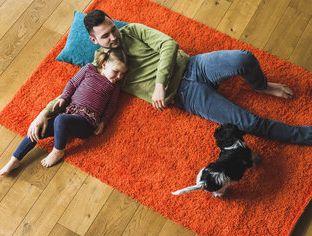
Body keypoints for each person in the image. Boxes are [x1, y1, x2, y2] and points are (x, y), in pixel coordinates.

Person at [29, 10, 311, 145]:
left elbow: (169, 45)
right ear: (93, 40)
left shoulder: (134, 30)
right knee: (248, 122)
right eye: (106, 35)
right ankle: (305, 136)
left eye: (114, 29)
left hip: (194, 66)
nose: (114, 36)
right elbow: (73, 94)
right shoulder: (98, 67)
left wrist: (159, 85)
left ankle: (261, 86)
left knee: (244, 58)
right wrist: (43, 114)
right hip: (186, 95)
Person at [0, 48, 127, 176]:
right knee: (38, 129)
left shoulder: (114, 86)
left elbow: (112, 105)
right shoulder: (89, 69)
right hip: (70, 113)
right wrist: (64, 97)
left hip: (86, 122)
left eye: (122, 74)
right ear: (104, 65)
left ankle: (58, 150)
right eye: (116, 72)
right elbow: (72, 83)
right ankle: (14, 160)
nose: (119, 77)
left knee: (61, 120)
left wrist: (104, 122)